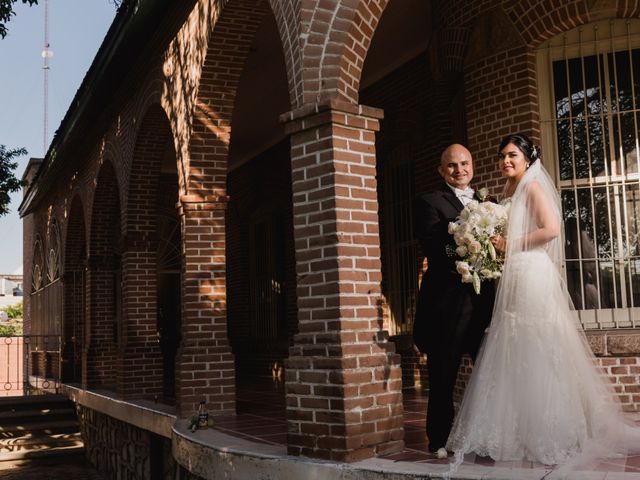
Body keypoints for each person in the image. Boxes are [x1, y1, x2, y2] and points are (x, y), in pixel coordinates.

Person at [446, 133, 640, 471]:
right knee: (514, 345)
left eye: (512, 156)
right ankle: (515, 427)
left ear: (527, 159)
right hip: (514, 273)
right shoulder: (509, 191)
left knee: (537, 344)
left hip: (532, 272)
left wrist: (509, 244)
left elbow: (550, 229)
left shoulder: (532, 187)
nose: (506, 161)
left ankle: (551, 429)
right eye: (502, 156)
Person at [413, 144, 495, 457]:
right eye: (451, 166)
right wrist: (464, 249)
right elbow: (434, 246)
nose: (459, 170)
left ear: (472, 165)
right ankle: (439, 440)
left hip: (483, 303)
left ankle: (486, 437)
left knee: (486, 374)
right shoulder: (429, 201)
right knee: (443, 374)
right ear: (441, 170)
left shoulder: (489, 203)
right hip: (446, 305)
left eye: (464, 163)